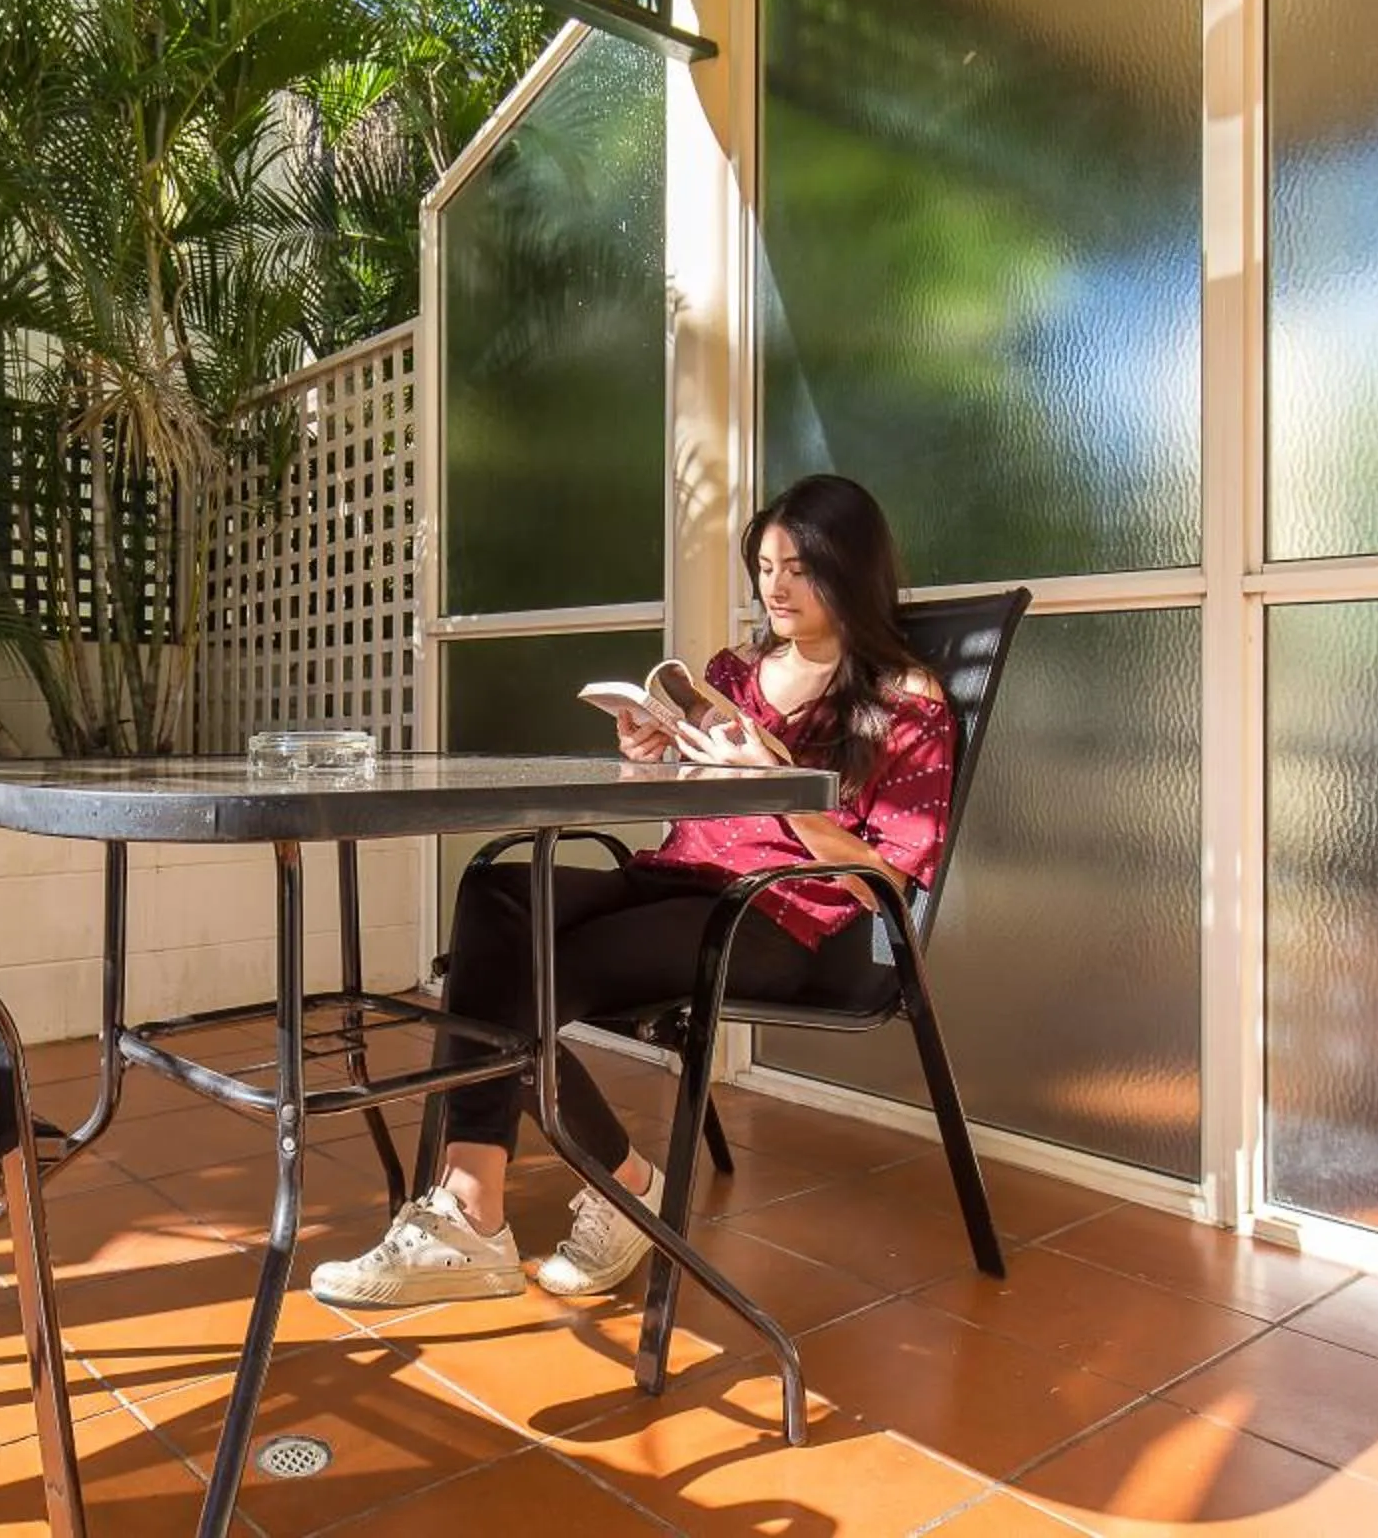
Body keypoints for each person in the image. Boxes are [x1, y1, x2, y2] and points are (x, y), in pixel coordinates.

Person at [310, 474, 957, 1308]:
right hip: (675, 879)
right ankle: (586, 1191)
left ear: (852, 569)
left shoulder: (905, 701)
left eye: (799, 566)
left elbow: (884, 883)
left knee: (512, 978)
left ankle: (505, 1209)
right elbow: (689, 803)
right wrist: (651, 756)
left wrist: (781, 785)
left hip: (774, 914)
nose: (777, 586)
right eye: (764, 566)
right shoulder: (736, 672)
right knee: (496, 897)